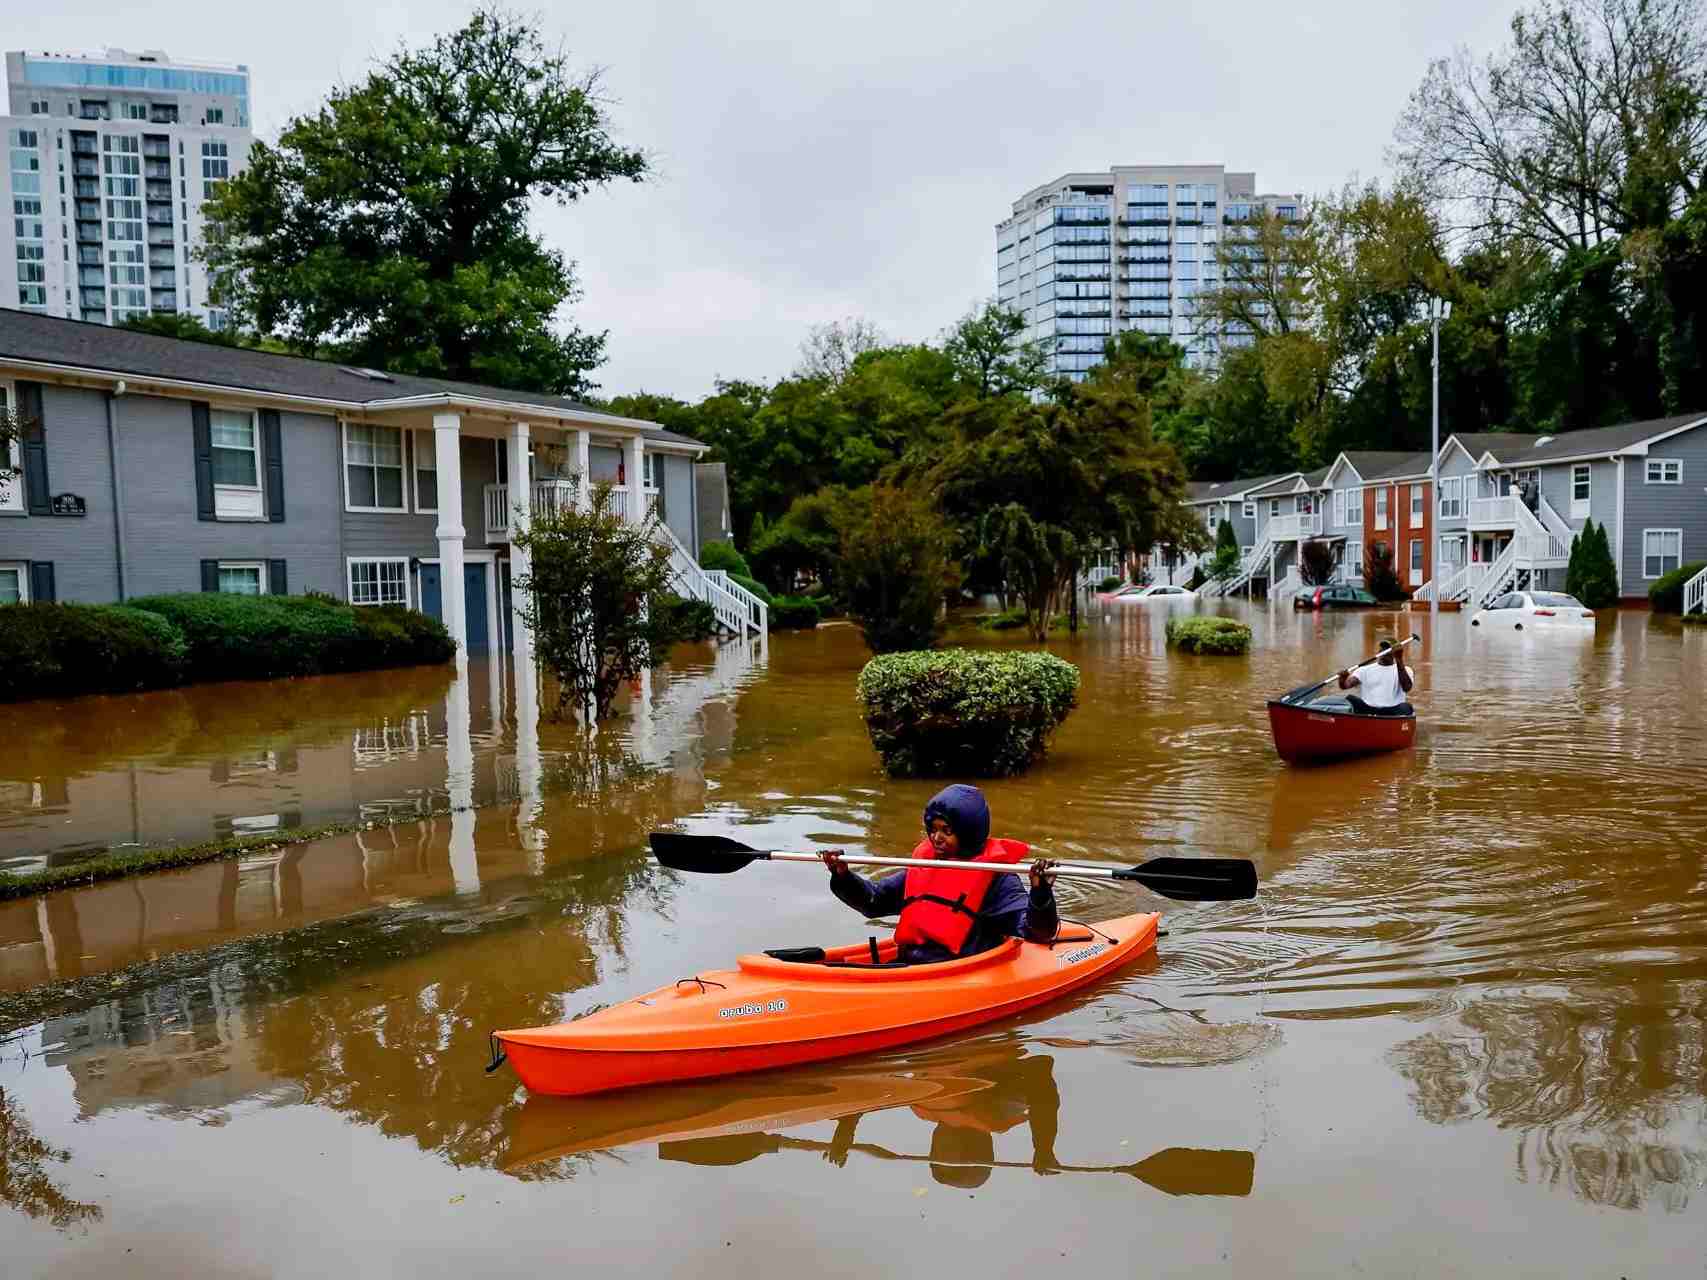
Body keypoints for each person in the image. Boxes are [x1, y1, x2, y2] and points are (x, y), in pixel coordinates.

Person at [820, 783, 1058, 964]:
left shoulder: (996, 878)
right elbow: (873, 901)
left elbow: (1037, 933)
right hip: (911, 965)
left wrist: (1040, 893)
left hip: (960, 970)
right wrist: (843, 876)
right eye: (932, 829)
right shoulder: (926, 866)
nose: (936, 837)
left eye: (947, 831)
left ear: (969, 833)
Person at [1338, 638, 1413, 716]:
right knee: (1350, 699)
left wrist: (1399, 659)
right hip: (1368, 710)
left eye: (1388, 649)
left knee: (1406, 707)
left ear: (1395, 653)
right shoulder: (1364, 670)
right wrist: (1343, 678)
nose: (1385, 651)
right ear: (1379, 651)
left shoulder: (1405, 670)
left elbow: (1407, 688)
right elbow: (1345, 686)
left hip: (1392, 711)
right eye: (1383, 648)